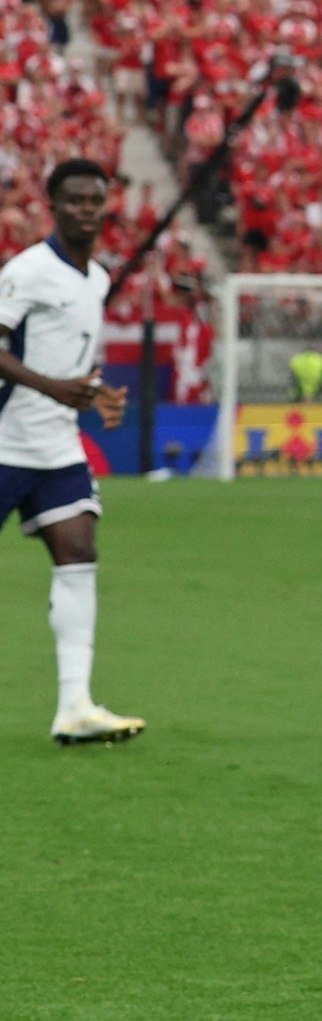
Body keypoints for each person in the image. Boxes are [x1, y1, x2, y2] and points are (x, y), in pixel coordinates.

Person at [0, 158, 143, 744]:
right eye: (75, 200)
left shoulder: (98, 279)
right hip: (6, 440)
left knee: (79, 550)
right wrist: (54, 388)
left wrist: (97, 393)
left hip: (56, 444)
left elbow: (73, 363)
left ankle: (75, 705)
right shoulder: (27, 272)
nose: (87, 209)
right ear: (53, 206)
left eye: (95, 200)